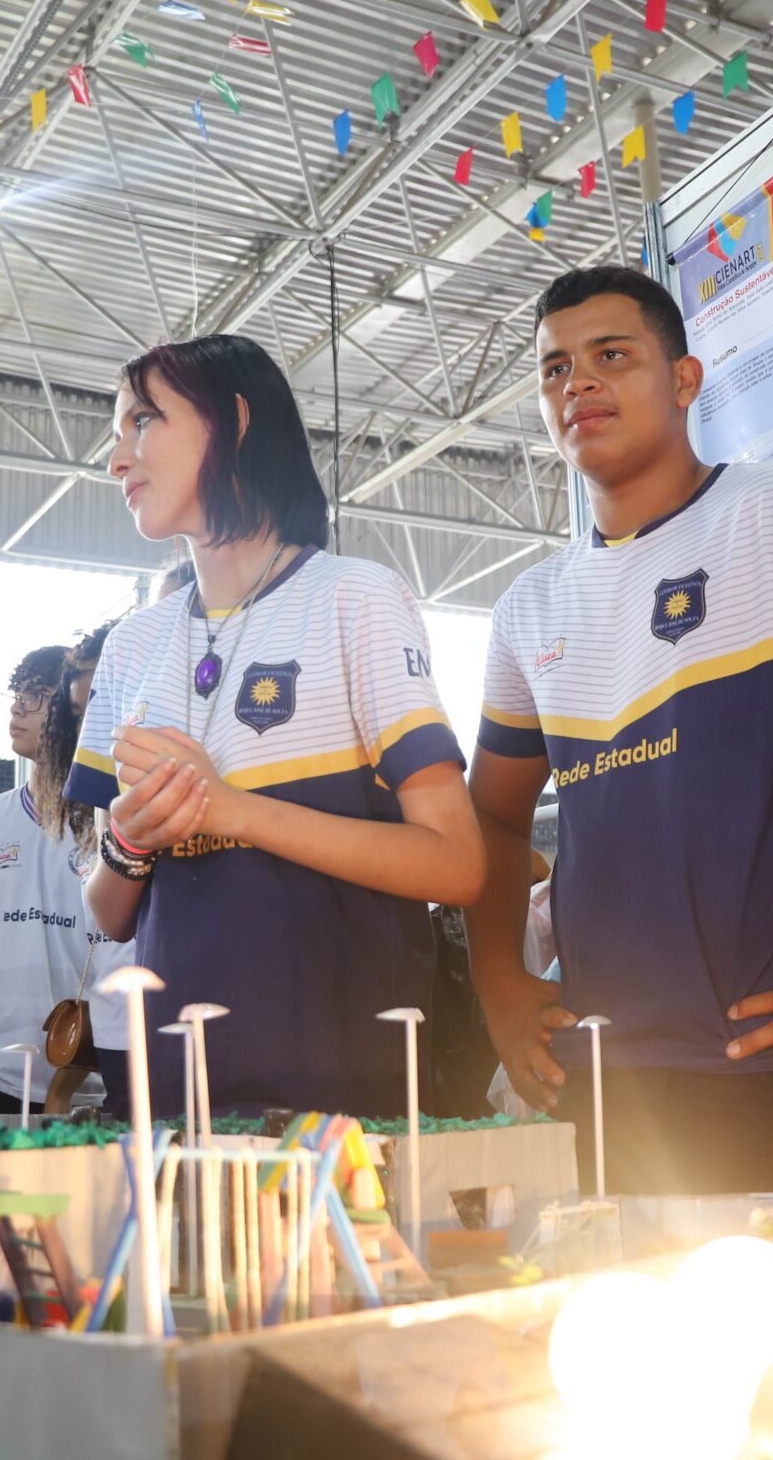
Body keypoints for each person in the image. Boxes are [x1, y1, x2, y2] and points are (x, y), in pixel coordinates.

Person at [465, 267, 773, 1194]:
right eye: (555, 368)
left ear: (685, 379)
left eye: (612, 356)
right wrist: (500, 990)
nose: (578, 385)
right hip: (613, 1086)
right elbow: (490, 824)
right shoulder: (529, 608)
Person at [68, 335, 483, 1119]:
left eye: (143, 421)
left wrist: (232, 810)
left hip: (346, 1105)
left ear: (235, 420)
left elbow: (456, 864)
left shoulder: (354, 598)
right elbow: (110, 911)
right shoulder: (134, 644)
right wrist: (133, 838)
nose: (117, 459)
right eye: (117, 433)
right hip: (177, 1095)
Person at [0, 634, 134, 1118]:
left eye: (37, 697)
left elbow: (118, 963)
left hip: (88, 1084)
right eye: (17, 695)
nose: (18, 709)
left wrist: (61, 1092)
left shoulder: (115, 823)